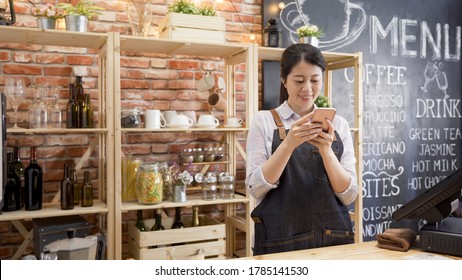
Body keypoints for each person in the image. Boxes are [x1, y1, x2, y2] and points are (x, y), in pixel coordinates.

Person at [245, 43, 359, 255]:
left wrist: (326, 151)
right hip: (278, 244)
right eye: (299, 80)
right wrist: (288, 144)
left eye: (315, 80)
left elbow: (349, 195)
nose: (307, 89)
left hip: (333, 243)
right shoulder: (264, 121)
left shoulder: (339, 125)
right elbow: (255, 188)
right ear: (283, 80)